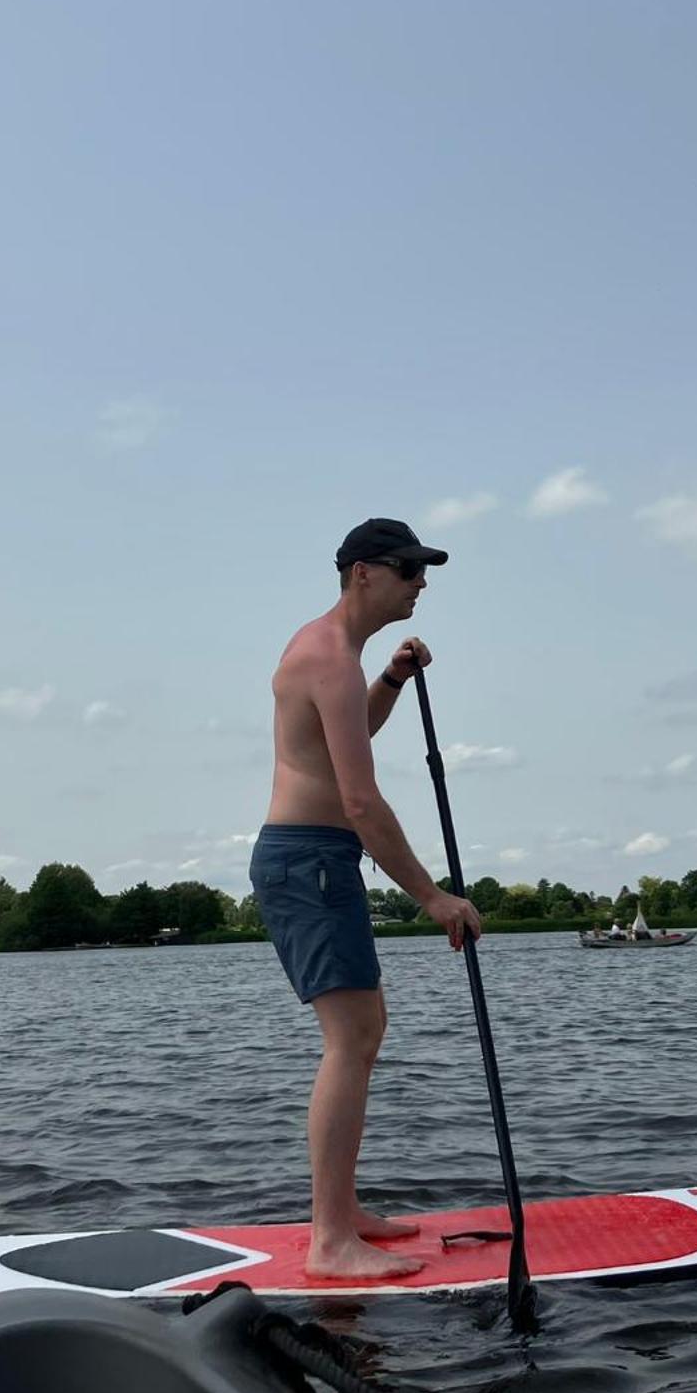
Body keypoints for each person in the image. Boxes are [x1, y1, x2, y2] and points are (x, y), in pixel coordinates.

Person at [251, 517, 484, 1281]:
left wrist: (390, 681)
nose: (421, 582)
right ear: (363, 574)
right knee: (350, 1040)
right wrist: (432, 898)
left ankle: (342, 1214)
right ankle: (328, 1240)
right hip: (311, 860)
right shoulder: (326, 657)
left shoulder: (335, 655)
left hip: (315, 859)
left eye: (424, 570)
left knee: (363, 1033)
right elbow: (359, 800)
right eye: (409, 568)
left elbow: (345, 741)